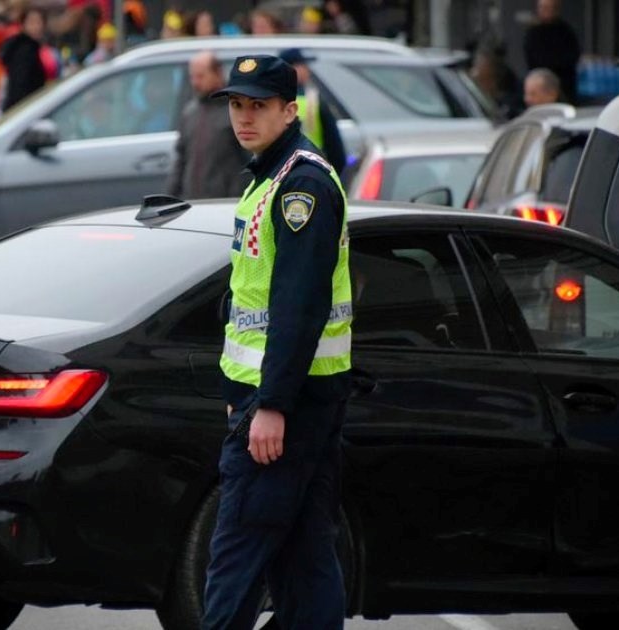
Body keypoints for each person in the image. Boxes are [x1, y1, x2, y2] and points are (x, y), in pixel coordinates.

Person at [201, 54, 351, 630]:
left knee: (236, 555)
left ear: (290, 110)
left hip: (285, 405)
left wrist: (271, 405)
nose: (244, 117)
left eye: (258, 106)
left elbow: (298, 307)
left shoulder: (300, 185)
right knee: (304, 561)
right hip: (292, 400)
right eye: (237, 104)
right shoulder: (273, 174)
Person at [168, 51, 250, 199]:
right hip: (193, 202)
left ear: (217, 74)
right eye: (192, 77)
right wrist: (170, 196)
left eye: (200, 76)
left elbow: (250, 161)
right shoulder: (190, 113)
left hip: (225, 202)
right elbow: (181, 160)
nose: (195, 82)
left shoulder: (235, 110)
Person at [278, 48, 346, 171]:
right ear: (293, 69)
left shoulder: (271, 101)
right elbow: (336, 149)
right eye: (303, 65)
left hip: (278, 172)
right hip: (314, 168)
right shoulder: (313, 100)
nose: (308, 70)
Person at [523, 0, 580, 104]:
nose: (546, 11)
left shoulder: (565, 32)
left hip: (564, 85)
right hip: (540, 82)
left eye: (550, 8)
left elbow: (573, 56)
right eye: (543, 8)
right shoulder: (533, 33)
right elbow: (532, 58)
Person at [0, 7, 48, 112]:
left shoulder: (32, 48)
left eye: (39, 22)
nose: (36, 27)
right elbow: (20, 85)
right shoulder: (25, 50)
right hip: (23, 109)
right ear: (23, 25)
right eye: (31, 22)